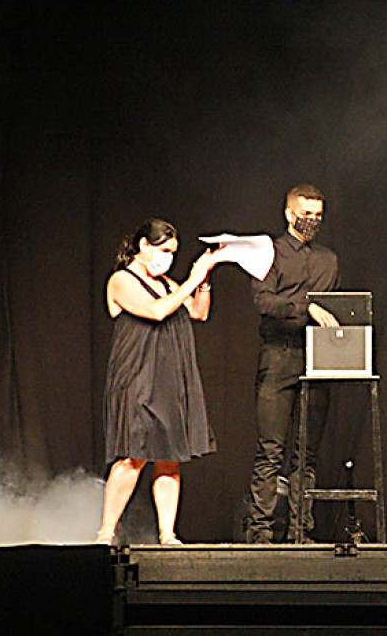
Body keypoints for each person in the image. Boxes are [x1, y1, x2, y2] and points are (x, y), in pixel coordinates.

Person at [96, 218, 227, 545]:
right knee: (132, 456)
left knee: (169, 459)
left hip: (169, 379)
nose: (169, 257)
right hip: (136, 377)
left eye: (173, 252)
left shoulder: (169, 284)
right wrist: (191, 279)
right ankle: (106, 533)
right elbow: (156, 312)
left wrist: (203, 282)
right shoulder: (121, 280)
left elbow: (198, 313)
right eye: (165, 250)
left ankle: (167, 534)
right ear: (144, 245)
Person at [246, 183, 340, 544]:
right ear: (289, 214)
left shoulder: (328, 260)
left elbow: (335, 306)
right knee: (270, 450)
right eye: (306, 215)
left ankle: (302, 532)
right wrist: (305, 307)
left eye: (318, 216)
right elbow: (264, 301)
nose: (312, 221)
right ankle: (261, 532)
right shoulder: (269, 254)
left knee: (307, 453)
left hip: (317, 360)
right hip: (279, 355)